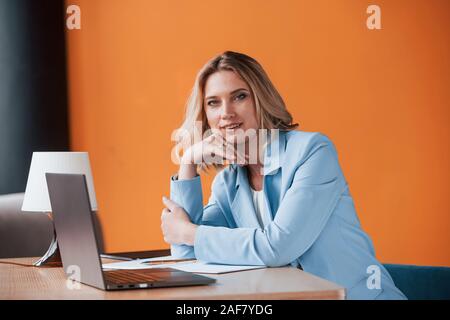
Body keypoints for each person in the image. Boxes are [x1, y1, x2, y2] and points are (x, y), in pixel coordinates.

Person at [161, 51, 406, 300]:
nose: (226, 112)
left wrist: (188, 232)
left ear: (261, 99)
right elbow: (187, 254)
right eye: (213, 102)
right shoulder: (227, 183)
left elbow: (278, 247)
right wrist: (188, 162)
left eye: (240, 96)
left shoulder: (312, 151)